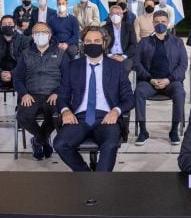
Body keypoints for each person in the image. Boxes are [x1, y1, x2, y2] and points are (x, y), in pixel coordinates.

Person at [54, 26, 134, 172]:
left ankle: (100, 184)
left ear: (104, 43)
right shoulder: (73, 67)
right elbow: (62, 95)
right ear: (83, 44)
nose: (92, 44)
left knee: (110, 144)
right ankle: (85, 174)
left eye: (97, 41)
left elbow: (129, 98)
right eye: (88, 41)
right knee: (60, 144)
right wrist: (65, 111)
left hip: (106, 117)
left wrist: (116, 112)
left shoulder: (117, 67)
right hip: (79, 118)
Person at [13, 22, 69, 160]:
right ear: (32, 36)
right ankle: (44, 140)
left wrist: (58, 93)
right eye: (37, 33)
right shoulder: (25, 54)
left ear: (49, 35)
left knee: (55, 115)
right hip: (31, 95)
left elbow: (68, 79)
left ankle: (37, 141)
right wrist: (24, 94)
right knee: (23, 116)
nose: (40, 35)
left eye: (43, 32)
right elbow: (17, 78)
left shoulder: (61, 54)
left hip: (53, 94)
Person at [133, 10, 187, 146]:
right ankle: (143, 131)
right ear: (153, 23)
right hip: (149, 81)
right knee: (138, 92)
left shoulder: (177, 42)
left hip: (170, 82)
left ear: (168, 23)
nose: (160, 24)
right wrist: (150, 78)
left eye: (163, 21)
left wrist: (169, 79)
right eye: (157, 22)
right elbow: (136, 63)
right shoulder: (144, 42)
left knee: (180, 92)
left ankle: (174, 130)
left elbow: (183, 64)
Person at [103, 4, 137, 72]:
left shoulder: (129, 27)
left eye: (118, 13)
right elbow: (102, 46)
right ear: (110, 16)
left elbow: (133, 45)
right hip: (110, 56)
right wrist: (110, 55)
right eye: (113, 14)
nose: (116, 16)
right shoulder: (104, 28)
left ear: (122, 15)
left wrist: (123, 56)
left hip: (125, 56)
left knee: (125, 69)